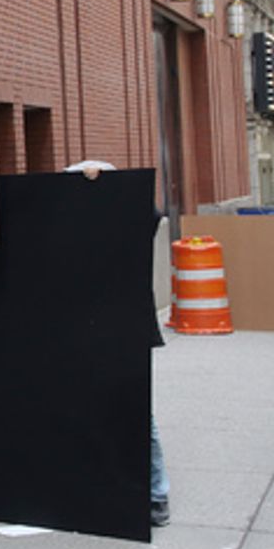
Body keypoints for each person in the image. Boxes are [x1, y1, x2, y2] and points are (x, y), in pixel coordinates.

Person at [66, 159, 171, 528]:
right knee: (86, 411)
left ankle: (156, 495)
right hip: (82, 334)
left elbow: (152, 213)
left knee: (136, 411)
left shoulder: (127, 228)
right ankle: (101, 488)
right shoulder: (71, 235)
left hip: (125, 330)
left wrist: (106, 179)